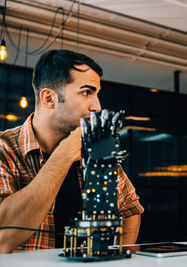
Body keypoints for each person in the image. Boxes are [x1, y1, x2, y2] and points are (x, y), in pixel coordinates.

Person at [0, 50, 144, 252]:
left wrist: (118, 255)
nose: (97, 106)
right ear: (49, 98)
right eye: (87, 92)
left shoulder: (97, 149)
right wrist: (64, 154)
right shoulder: (4, 150)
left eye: (97, 93)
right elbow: (3, 235)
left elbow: (130, 208)